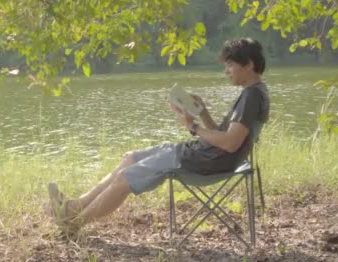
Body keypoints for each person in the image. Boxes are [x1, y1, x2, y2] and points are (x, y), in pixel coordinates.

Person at [47, 38, 270, 234]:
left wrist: (193, 128)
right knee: (129, 157)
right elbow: (224, 136)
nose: (226, 71)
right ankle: (74, 207)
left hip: (204, 161)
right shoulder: (254, 93)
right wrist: (202, 112)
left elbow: (230, 144)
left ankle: (74, 223)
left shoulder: (251, 96)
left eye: (230, 65)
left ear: (249, 64)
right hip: (201, 154)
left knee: (125, 177)